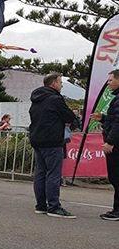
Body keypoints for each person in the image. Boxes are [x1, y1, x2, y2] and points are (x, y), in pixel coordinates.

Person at [28, 72, 77, 219]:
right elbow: (69, 116)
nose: (61, 85)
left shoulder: (36, 99)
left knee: (41, 173)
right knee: (53, 174)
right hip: (52, 141)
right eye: (60, 82)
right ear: (54, 83)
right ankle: (54, 206)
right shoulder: (55, 99)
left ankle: (41, 205)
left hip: (37, 139)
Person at [91, 69, 119, 221]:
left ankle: (117, 210)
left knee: (116, 177)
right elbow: (114, 119)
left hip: (115, 145)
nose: (108, 83)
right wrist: (103, 118)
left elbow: (118, 123)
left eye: (110, 80)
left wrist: (110, 142)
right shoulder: (116, 98)